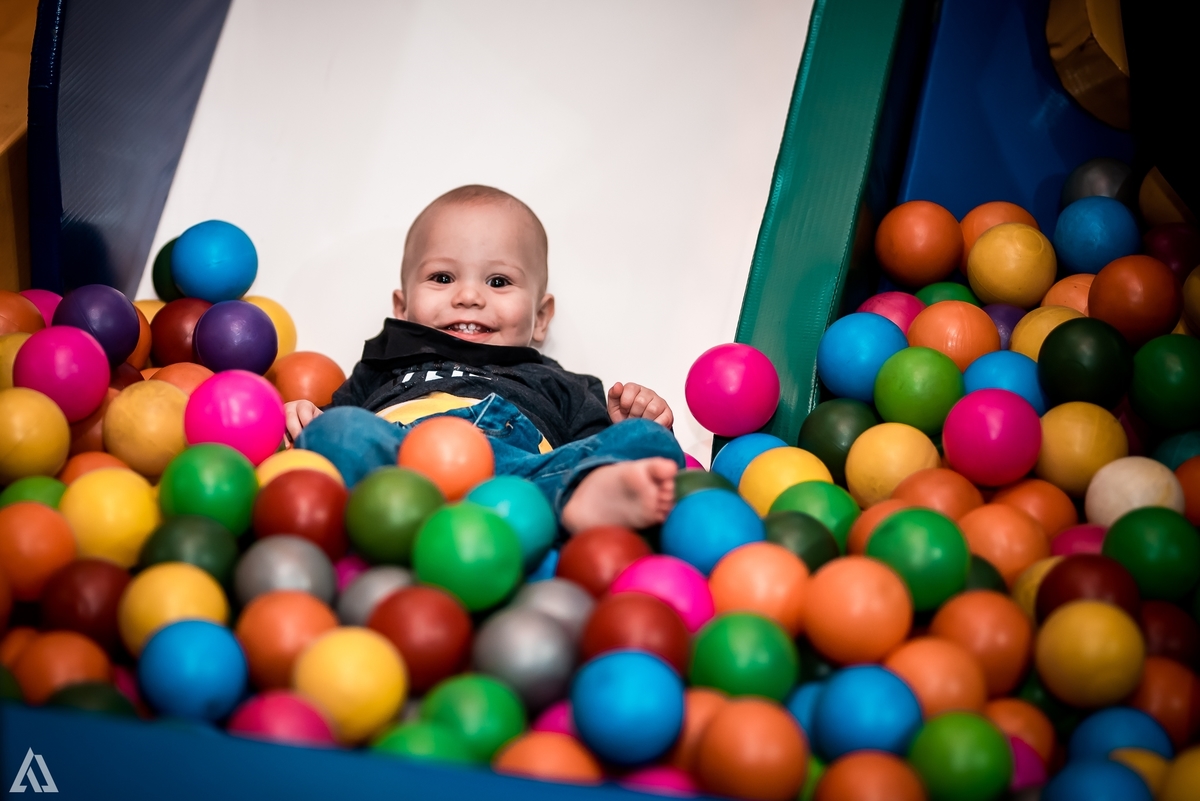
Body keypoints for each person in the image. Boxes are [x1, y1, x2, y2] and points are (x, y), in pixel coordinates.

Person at [286, 184, 684, 533]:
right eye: (443, 278)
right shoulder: (382, 364)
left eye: (499, 281)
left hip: (514, 474)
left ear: (540, 318)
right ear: (402, 308)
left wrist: (627, 424)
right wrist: (304, 417)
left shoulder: (562, 383)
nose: (470, 297)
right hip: (400, 467)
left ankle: (574, 496)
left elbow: (595, 443)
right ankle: (561, 501)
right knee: (334, 431)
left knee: (649, 442)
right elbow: (333, 427)